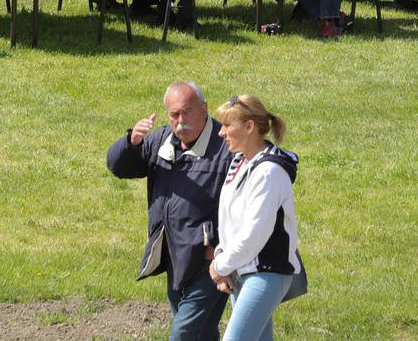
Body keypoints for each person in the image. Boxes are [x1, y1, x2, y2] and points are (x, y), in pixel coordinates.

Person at [106, 82, 232, 341]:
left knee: (183, 335)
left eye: (187, 112)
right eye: (174, 115)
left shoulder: (226, 145)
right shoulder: (160, 140)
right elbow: (119, 167)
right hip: (174, 254)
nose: (181, 120)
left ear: (205, 109)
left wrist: (221, 245)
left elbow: (263, 174)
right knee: (200, 333)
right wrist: (131, 143)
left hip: (211, 261)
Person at [211, 94, 304, 341]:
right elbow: (229, 221)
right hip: (242, 272)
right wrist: (223, 256)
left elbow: (255, 235)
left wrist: (220, 266)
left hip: (266, 273)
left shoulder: (269, 172)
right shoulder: (239, 163)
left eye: (228, 125)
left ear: (249, 127)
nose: (221, 133)